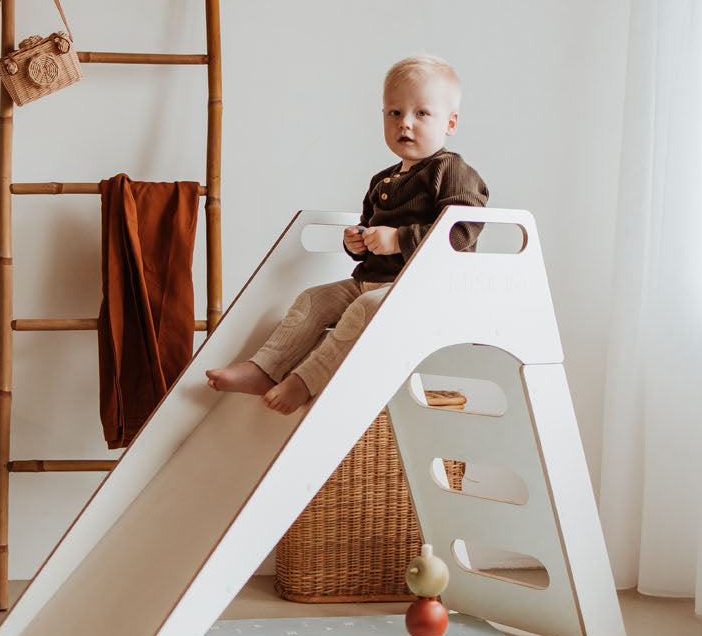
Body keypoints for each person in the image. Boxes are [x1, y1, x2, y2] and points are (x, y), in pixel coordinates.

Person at [205, 54, 489, 414]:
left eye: (422, 114)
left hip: (422, 290)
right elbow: (369, 230)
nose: (406, 124)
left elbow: (461, 233)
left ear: (450, 122)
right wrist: (356, 242)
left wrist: (398, 239)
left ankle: (303, 382)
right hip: (371, 280)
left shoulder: (452, 170)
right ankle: (264, 368)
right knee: (313, 299)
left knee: (364, 308)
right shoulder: (382, 180)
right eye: (394, 113)